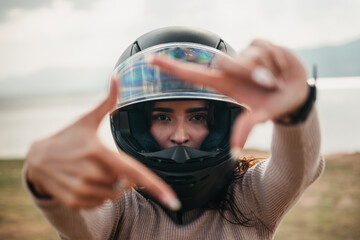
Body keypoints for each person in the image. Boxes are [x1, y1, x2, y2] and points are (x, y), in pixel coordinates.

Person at [24, 26, 324, 239]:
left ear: (221, 123)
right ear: (136, 125)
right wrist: (47, 179)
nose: (180, 135)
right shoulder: (119, 208)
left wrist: (296, 112)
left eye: (196, 117)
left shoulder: (250, 199)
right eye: (163, 116)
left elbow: (296, 166)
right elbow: (78, 219)